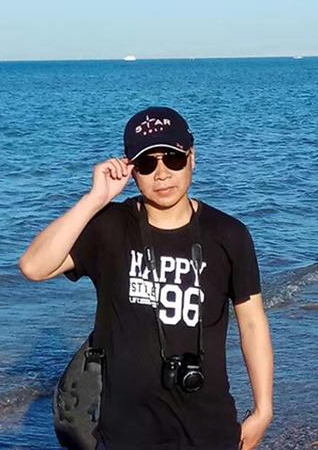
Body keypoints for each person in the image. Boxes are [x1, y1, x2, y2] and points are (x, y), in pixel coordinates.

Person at [19, 107, 274, 450]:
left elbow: (253, 322)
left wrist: (263, 409)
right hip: (124, 431)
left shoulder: (228, 234)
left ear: (192, 158)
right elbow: (34, 267)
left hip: (209, 426)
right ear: (131, 169)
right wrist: (95, 200)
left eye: (173, 159)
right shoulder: (110, 227)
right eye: (146, 164)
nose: (162, 174)